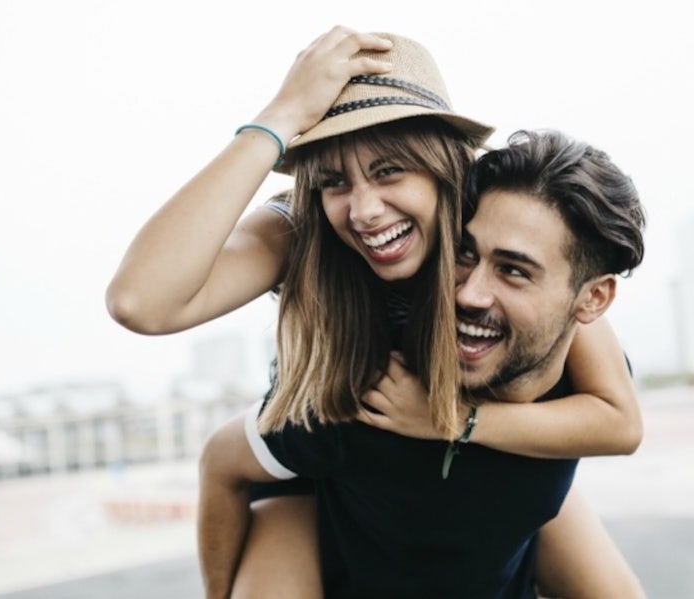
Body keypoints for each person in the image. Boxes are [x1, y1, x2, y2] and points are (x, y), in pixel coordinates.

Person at [105, 27, 642, 598]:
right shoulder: (307, 233)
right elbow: (142, 302)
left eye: (390, 170)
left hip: (495, 487)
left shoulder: (501, 245)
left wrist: (452, 422)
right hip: (326, 475)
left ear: (449, 172)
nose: (364, 211)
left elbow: (619, 419)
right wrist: (279, 119)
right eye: (335, 180)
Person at [239, 127, 647, 596]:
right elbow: (221, 460)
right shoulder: (371, 392)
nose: (471, 293)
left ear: (591, 300)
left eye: (514, 271)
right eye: (465, 254)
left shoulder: (567, 341)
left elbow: (622, 425)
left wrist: (454, 421)